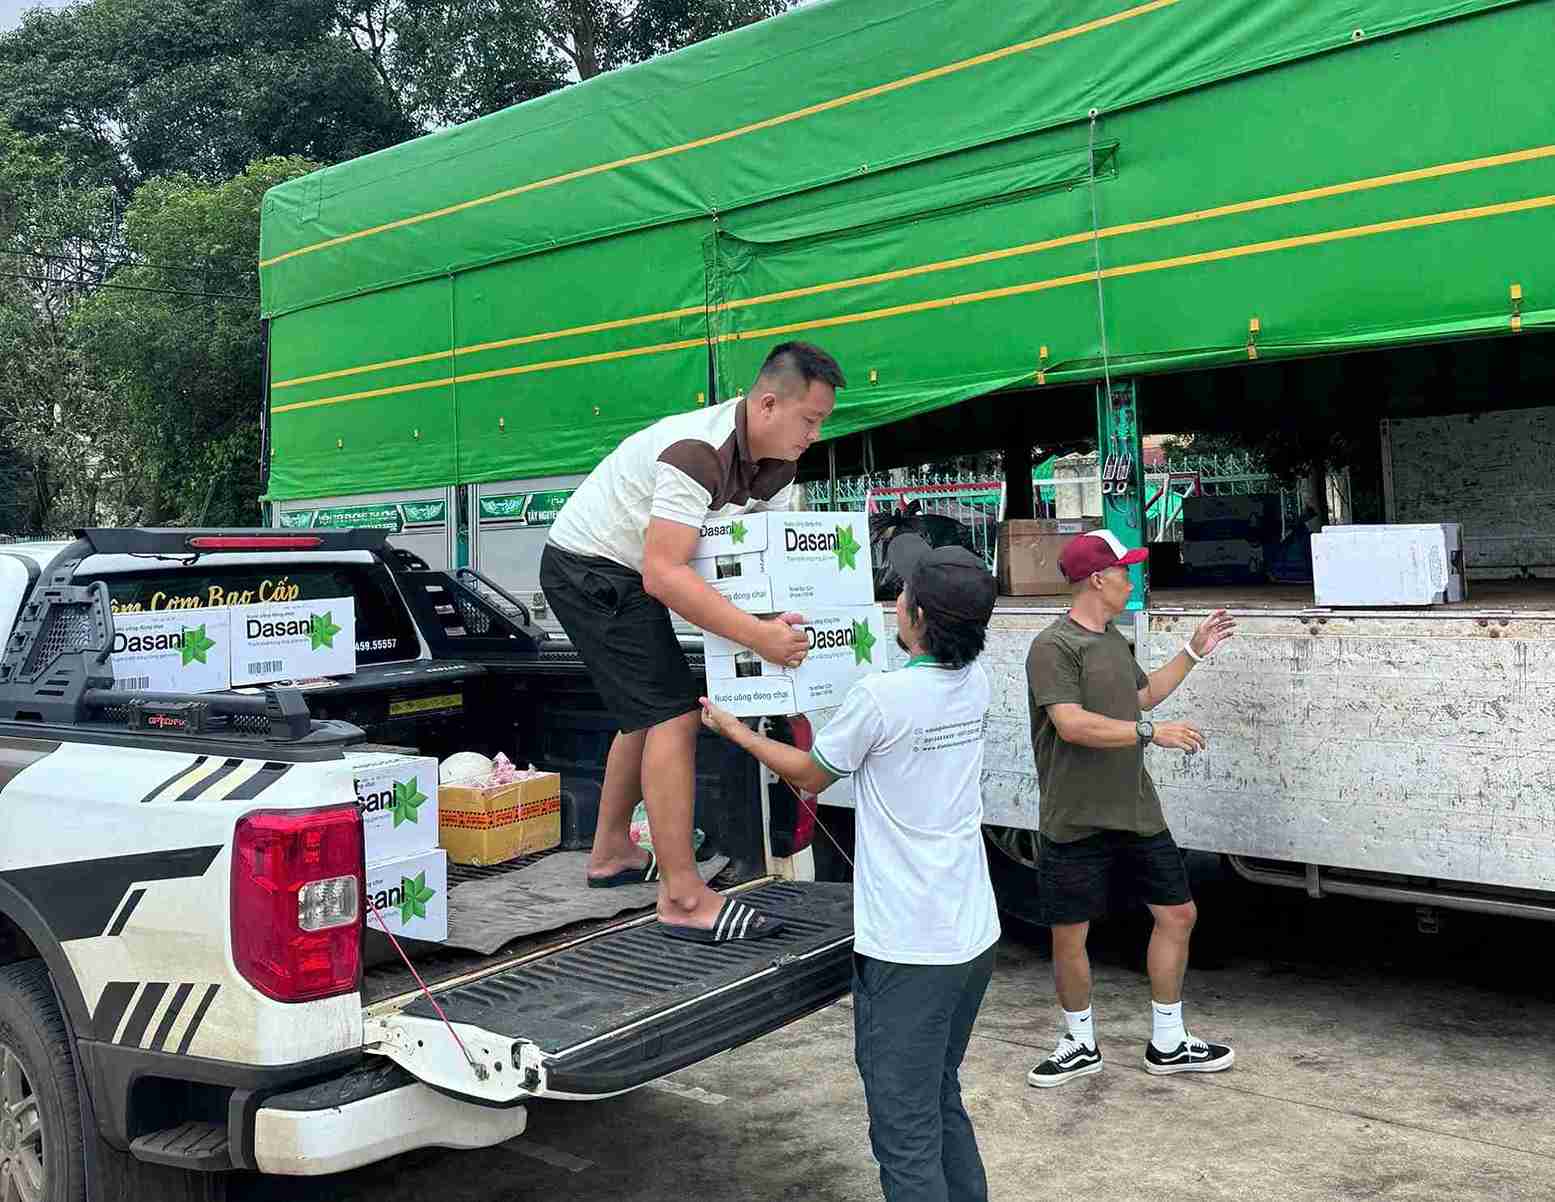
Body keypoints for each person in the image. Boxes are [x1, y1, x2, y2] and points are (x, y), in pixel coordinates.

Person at [700, 535, 1001, 1202]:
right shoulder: (974, 681)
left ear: (917, 618)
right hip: (971, 931)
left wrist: (737, 731)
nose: (894, 601)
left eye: (902, 594)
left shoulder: (884, 696)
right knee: (938, 1092)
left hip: (911, 945)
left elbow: (809, 773)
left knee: (903, 1128)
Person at [540, 341, 846, 942]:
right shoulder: (696, 453)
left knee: (646, 715)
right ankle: (681, 894)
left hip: (628, 569)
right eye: (809, 419)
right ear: (767, 403)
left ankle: (609, 854)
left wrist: (778, 620)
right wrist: (757, 635)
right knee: (673, 717)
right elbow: (663, 572)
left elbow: (760, 556)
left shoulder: (778, 465)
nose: (814, 434)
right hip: (591, 567)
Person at [1024, 528, 1238, 1087]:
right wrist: (1150, 733)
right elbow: (1071, 724)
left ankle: (1168, 1040)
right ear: (1098, 579)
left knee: (1178, 915)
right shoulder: (1053, 647)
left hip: (1135, 808)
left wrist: (1192, 651)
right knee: (1070, 934)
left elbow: (1139, 699)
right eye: (1125, 571)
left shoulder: (1116, 640)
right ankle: (1078, 1041)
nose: (1131, 579)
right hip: (1074, 815)